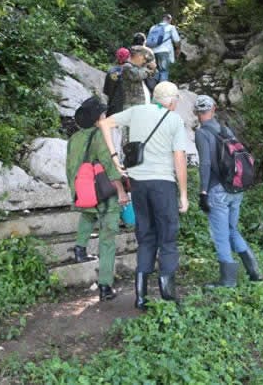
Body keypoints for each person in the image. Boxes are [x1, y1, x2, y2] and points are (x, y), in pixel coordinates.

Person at [100, 81, 189, 310]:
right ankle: (168, 295)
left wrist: (114, 157)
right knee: (167, 237)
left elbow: (105, 123)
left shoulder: (137, 111)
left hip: (138, 183)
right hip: (163, 184)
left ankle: (140, 297)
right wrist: (183, 194)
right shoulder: (175, 120)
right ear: (171, 101)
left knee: (146, 235)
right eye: (176, 100)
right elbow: (179, 158)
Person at [193, 95, 263, 288]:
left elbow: (206, 163)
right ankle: (254, 271)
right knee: (232, 229)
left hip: (218, 190)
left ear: (196, 112)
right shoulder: (226, 129)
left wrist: (203, 192)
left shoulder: (202, 133)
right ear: (213, 109)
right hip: (236, 188)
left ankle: (228, 280)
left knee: (220, 234)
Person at [66, 97, 130, 301]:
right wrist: (121, 190)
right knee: (108, 240)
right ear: (96, 119)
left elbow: (70, 167)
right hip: (104, 193)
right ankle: (105, 285)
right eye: (103, 114)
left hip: (84, 190)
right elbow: (109, 165)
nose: (106, 116)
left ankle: (80, 247)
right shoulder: (101, 136)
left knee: (87, 214)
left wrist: (76, 191)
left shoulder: (74, 138)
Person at [147, 13, 180, 82]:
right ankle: (162, 90)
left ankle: (153, 88)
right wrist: (178, 49)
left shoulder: (153, 27)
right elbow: (176, 40)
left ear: (162, 19)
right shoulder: (171, 27)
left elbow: (148, 40)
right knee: (164, 71)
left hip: (152, 52)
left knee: (154, 70)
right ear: (169, 20)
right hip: (164, 52)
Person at [103, 47, 130, 116]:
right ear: (127, 58)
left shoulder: (111, 71)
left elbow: (107, 90)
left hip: (113, 104)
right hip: (125, 105)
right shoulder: (131, 72)